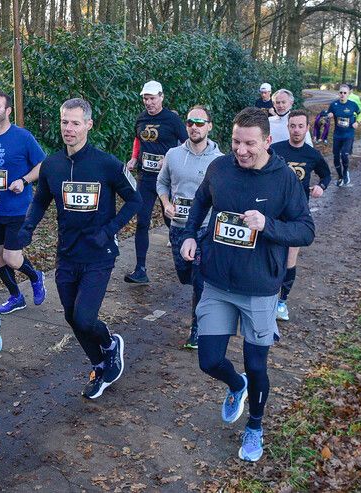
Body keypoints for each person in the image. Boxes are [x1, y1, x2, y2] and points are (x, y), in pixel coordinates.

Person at [181, 107, 314, 462]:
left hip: (259, 287)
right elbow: (200, 201)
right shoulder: (220, 168)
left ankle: (255, 426)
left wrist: (267, 224)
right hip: (218, 281)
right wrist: (190, 235)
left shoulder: (284, 178)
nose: (241, 150)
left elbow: (305, 229)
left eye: (250, 144)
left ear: (267, 141)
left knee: (257, 365)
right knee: (208, 361)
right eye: (236, 141)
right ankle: (235, 385)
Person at [18, 98, 142, 399]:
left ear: (88, 124)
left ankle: (111, 344)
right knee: (72, 318)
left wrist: (110, 230)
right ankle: (99, 364)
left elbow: (135, 200)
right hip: (67, 255)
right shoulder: (52, 165)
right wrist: (27, 229)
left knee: (85, 318)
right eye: (64, 122)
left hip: (99, 255)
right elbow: (40, 200)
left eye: (75, 123)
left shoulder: (107, 164)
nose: (68, 129)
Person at [156, 105, 223, 350]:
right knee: (184, 274)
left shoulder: (219, 160)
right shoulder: (173, 154)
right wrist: (165, 204)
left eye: (200, 122)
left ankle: (197, 328)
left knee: (199, 280)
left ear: (209, 126)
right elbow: (161, 183)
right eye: (190, 122)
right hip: (178, 226)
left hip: (205, 229)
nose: (194, 127)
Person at [0, 91, 47, 315]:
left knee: (12, 258)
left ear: (7, 111)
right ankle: (16, 296)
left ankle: (36, 276)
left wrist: (24, 180)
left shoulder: (23, 137)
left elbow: (41, 165)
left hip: (17, 208)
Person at [125, 81, 188, 284]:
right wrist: (134, 158)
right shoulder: (140, 118)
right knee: (142, 221)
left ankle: (186, 259)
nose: (149, 103)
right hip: (146, 177)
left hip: (168, 180)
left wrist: (169, 160)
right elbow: (138, 139)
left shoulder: (172, 119)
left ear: (161, 97)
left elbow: (187, 143)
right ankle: (140, 269)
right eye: (145, 99)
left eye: (152, 98)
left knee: (172, 219)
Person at [270, 110, 330, 321]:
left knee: (290, 258)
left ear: (307, 128)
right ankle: (265, 296)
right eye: (293, 126)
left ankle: (282, 302)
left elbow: (326, 174)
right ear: (287, 127)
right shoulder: (275, 150)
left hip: (297, 213)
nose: (296, 130)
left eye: (300, 126)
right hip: (274, 210)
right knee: (268, 253)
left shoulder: (312, 154)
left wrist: (321, 186)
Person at [327, 84, 360, 187]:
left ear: (348, 94)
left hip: (348, 134)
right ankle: (340, 176)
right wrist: (329, 115)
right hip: (337, 135)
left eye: (345, 93)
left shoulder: (353, 104)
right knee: (336, 157)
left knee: (344, 154)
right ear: (338, 93)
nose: (342, 94)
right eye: (341, 92)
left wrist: (357, 122)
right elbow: (328, 114)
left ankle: (345, 172)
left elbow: (360, 113)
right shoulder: (334, 105)